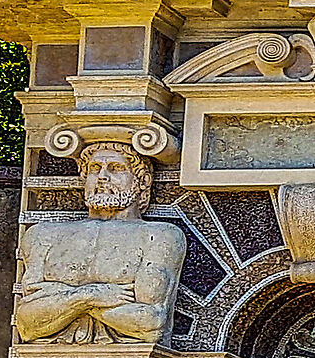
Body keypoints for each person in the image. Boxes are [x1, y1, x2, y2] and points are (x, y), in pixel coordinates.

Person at [11, 142, 185, 343]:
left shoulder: (160, 236)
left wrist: (59, 298)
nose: (102, 176)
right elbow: (27, 324)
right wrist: (90, 296)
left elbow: (151, 324)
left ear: (141, 181)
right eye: (94, 169)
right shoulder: (43, 235)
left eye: (116, 168)